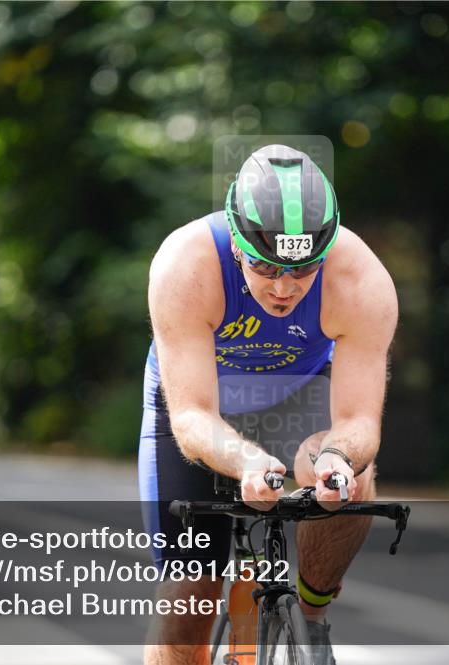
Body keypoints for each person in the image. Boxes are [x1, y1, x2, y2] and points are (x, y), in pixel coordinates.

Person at [138, 144, 398, 664]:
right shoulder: (186, 266)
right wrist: (245, 460)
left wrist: (337, 459)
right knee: (190, 597)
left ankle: (313, 619)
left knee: (349, 478)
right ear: (236, 245)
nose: (283, 287)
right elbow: (191, 416)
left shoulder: (360, 280)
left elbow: (357, 422)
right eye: (265, 266)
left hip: (300, 395)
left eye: (304, 270)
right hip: (200, 407)